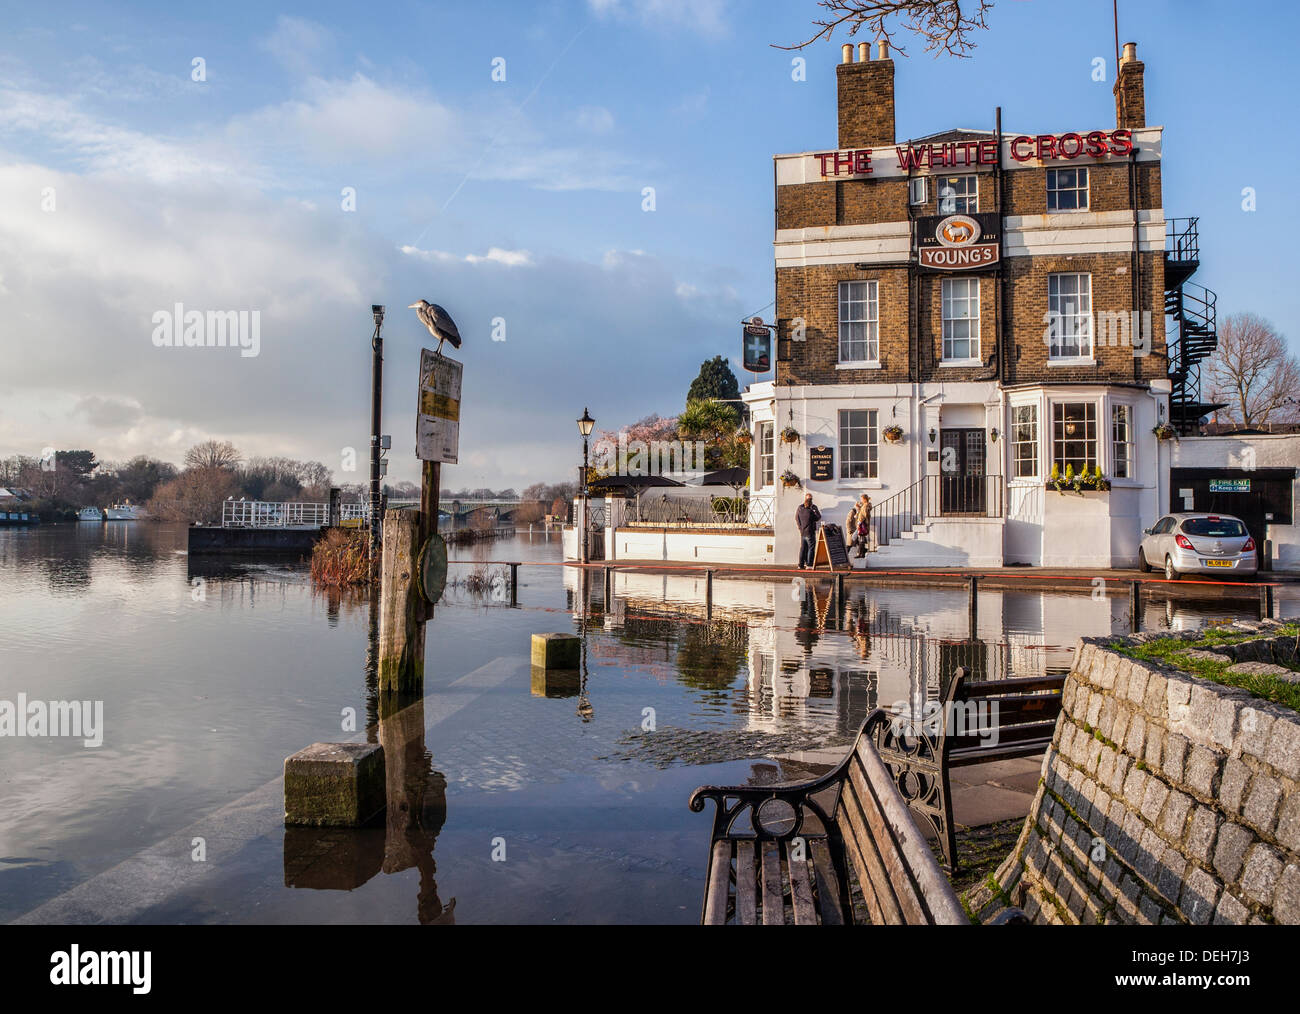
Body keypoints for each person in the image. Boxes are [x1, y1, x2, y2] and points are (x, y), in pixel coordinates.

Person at [795, 492, 821, 569]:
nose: (810, 500)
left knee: (803, 548)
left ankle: (801, 565)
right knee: (810, 548)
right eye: (809, 498)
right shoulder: (804, 508)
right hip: (808, 532)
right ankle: (809, 565)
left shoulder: (811, 508)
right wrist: (800, 528)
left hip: (804, 532)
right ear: (806, 499)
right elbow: (817, 517)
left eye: (811, 498)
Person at [854, 493, 872, 559]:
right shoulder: (865, 505)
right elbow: (863, 513)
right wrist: (858, 507)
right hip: (863, 524)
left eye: (862, 499)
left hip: (862, 525)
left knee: (860, 539)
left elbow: (864, 515)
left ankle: (861, 554)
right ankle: (862, 553)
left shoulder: (865, 506)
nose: (861, 500)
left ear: (864, 499)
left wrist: (859, 523)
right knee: (861, 539)